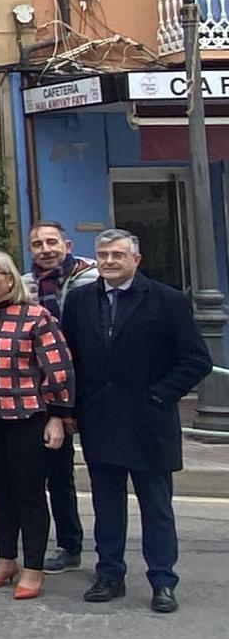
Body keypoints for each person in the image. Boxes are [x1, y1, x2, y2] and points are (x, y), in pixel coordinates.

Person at [62, 229, 212, 614]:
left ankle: (163, 581)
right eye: (103, 255)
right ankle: (109, 574)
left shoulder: (167, 300)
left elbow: (196, 359)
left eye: (117, 255)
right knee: (106, 504)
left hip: (150, 421)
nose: (109, 262)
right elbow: (72, 358)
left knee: (156, 506)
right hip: (100, 419)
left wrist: (160, 395)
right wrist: (72, 409)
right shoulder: (79, 300)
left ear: (135, 259)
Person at [0, 249, 73, 600]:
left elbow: (59, 369)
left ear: (10, 278)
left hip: (27, 418)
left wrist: (58, 416)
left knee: (30, 495)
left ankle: (33, 567)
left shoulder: (37, 317)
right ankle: (6, 559)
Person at [25, 220, 96, 571]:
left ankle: (104, 551)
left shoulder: (90, 279)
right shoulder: (25, 287)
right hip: (42, 392)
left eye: (51, 242)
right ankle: (67, 546)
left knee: (86, 475)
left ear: (67, 245)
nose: (45, 249)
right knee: (54, 473)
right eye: (37, 244)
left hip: (88, 387)